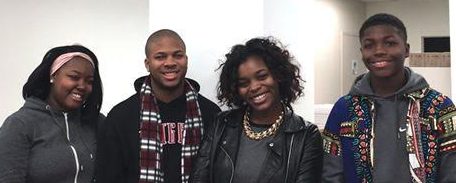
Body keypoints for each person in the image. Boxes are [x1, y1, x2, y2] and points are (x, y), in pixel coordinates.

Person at [322, 13, 456, 183]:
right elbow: (330, 174)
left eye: (390, 43)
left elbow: (452, 173)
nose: (379, 51)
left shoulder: (439, 106)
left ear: (406, 49)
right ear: (362, 52)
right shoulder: (344, 109)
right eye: (369, 45)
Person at [190, 37, 323, 183]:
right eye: (243, 83)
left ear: (278, 75)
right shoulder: (221, 124)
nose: (254, 87)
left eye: (262, 76)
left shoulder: (305, 135)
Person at [96, 29, 221, 183]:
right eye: (160, 57)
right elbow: (108, 176)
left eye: (177, 55)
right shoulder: (121, 116)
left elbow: (219, 172)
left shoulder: (210, 113)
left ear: (186, 59)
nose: (170, 63)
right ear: (147, 64)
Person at [0, 45, 104, 183]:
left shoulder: (96, 122)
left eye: (89, 81)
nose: (82, 86)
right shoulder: (20, 124)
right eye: (74, 77)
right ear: (53, 76)